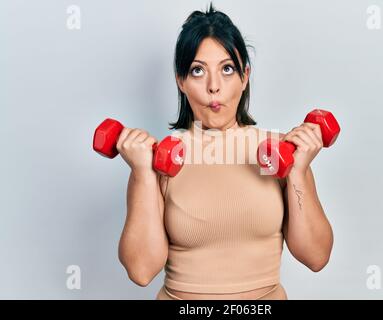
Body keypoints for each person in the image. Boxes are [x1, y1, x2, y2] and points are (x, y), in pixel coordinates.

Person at [116, 3, 334, 300]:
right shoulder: (156, 161)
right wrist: (142, 173)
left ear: (245, 77)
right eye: (197, 71)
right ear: (181, 81)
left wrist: (297, 171)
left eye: (227, 69)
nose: (213, 87)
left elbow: (316, 256)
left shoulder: (279, 153)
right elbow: (141, 270)